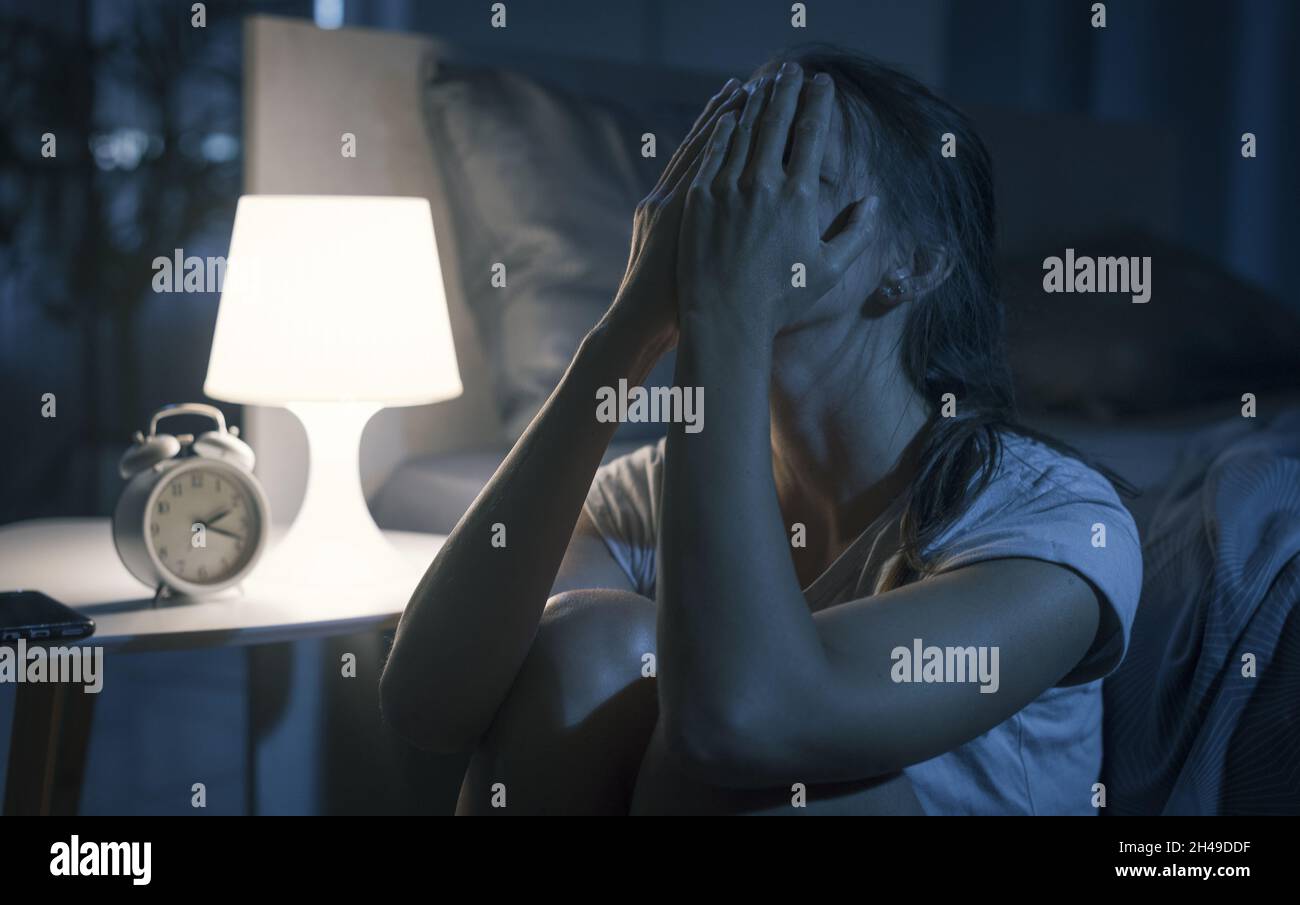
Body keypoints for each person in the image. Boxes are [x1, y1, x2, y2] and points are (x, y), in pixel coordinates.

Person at [381, 47, 1142, 815]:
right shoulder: (650, 493)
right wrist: (624, 331)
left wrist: (729, 309)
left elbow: (741, 725)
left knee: (758, 771)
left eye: (790, 167)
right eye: (725, 164)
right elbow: (426, 705)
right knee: (586, 643)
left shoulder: (1051, 522)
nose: (732, 202)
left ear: (912, 264)